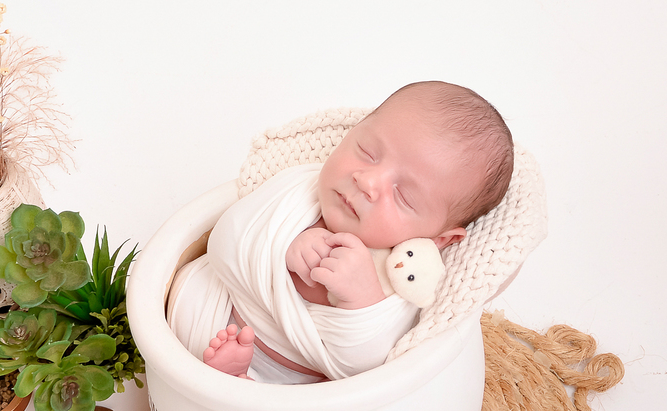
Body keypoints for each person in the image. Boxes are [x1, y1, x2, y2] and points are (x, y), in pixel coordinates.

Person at [167, 81, 514, 383]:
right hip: (217, 307)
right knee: (187, 287)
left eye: (404, 196)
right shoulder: (299, 190)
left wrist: (361, 301)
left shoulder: (399, 283)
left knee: (316, 408)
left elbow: (367, 370)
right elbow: (227, 239)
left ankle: (237, 384)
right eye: (367, 152)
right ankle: (211, 371)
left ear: (439, 239)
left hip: (293, 378)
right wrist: (283, 247)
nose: (367, 182)